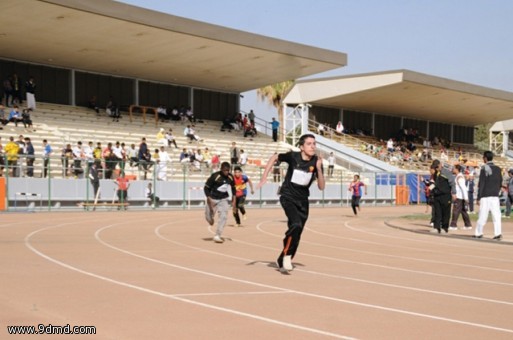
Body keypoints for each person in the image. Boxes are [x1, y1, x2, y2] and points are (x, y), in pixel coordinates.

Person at [256, 134, 325, 273]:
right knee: (295, 224)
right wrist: (264, 177)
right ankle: (287, 256)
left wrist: (318, 168)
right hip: (288, 197)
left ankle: (283, 257)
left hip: (303, 201)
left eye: (314, 144)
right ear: (301, 147)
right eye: (309, 144)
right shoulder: (293, 156)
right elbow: (275, 157)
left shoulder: (317, 161)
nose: (313, 146)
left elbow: (322, 187)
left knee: (297, 232)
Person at [204, 162, 236, 243]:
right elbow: (206, 188)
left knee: (224, 216)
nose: (227, 172)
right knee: (208, 217)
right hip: (212, 198)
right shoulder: (215, 176)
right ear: (221, 169)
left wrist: (234, 203)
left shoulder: (230, 177)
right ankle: (210, 219)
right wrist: (208, 198)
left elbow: (234, 189)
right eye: (225, 170)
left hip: (223, 199)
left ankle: (217, 235)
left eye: (228, 170)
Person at [474, 151, 502, 240]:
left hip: (485, 195)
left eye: (483, 157)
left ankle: (479, 232)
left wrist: (478, 197)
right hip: (495, 195)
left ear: (485, 158)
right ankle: (498, 233)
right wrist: (497, 191)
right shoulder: (498, 169)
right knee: (496, 215)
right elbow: (500, 182)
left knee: (483, 214)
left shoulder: (484, 168)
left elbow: (481, 183)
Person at [430, 159, 455, 234]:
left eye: (437, 167)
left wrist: (454, 193)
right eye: (435, 168)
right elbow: (435, 183)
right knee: (437, 212)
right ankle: (436, 227)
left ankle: (444, 228)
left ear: (440, 165)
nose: (436, 169)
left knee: (446, 212)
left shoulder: (446, 172)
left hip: (446, 195)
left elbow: (452, 183)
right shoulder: (436, 173)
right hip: (437, 195)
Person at [449, 164, 472, 230]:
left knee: (455, 211)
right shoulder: (458, 176)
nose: (453, 169)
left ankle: (453, 225)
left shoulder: (460, 177)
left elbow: (463, 188)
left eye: (454, 168)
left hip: (459, 197)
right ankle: (468, 225)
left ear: (457, 169)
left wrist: (466, 198)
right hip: (461, 197)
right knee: (463, 211)